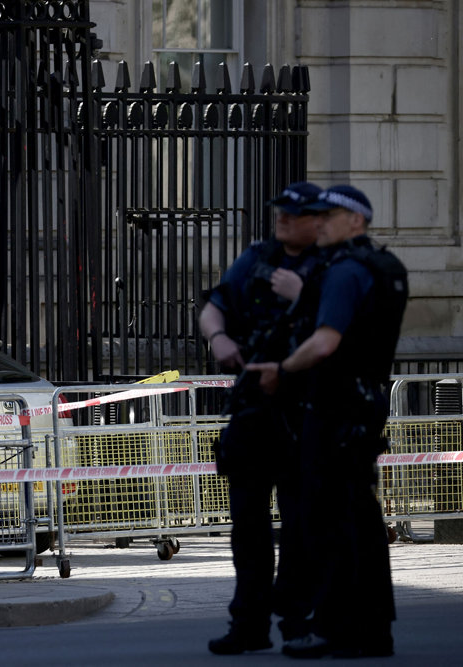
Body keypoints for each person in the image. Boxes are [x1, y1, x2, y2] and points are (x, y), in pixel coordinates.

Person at [248, 184, 408, 658]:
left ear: (356, 221)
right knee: (359, 518)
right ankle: (373, 628)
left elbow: (324, 342)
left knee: (331, 522)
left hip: (336, 406)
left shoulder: (345, 271)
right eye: (316, 215)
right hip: (364, 402)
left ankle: (342, 627)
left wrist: (281, 368)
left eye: (329, 215)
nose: (318, 222)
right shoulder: (384, 266)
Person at [200, 182, 323, 655]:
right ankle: (248, 624)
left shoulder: (332, 264)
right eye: (280, 215)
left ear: (317, 220)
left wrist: (302, 294)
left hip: (304, 410)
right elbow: (216, 305)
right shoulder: (258, 257)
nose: (283, 222)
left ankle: (297, 622)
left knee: (300, 526)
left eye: (294, 216)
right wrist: (217, 340)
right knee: (247, 528)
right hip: (253, 409)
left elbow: (342, 331)